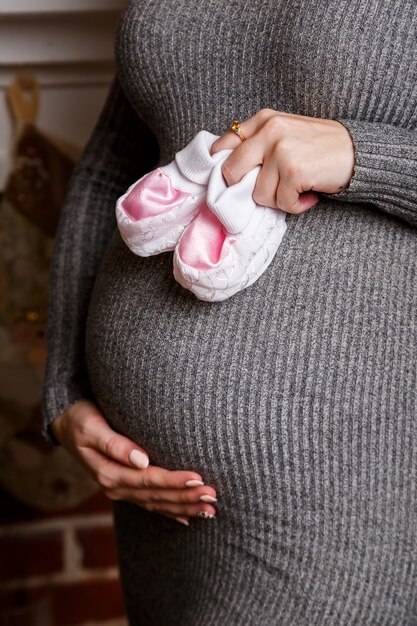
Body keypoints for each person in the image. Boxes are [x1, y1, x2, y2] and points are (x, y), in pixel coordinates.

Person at [41, 1, 417, 624]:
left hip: (338, 481)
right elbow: (111, 168)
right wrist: (65, 388)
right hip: (153, 495)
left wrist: (361, 155)